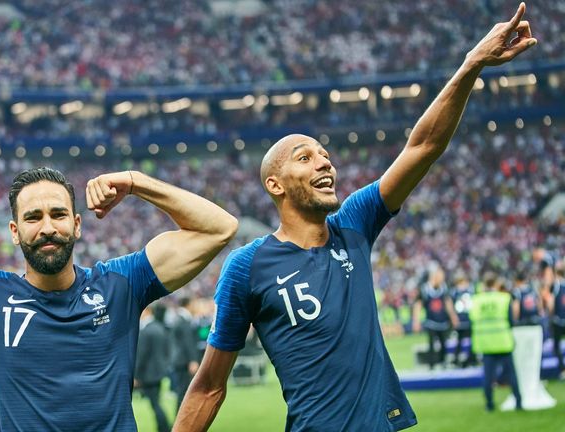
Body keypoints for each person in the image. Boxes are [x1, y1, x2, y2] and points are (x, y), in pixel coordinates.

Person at [174, 5, 536, 431]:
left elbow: (423, 147)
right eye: (305, 158)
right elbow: (209, 385)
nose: (325, 164)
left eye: (326, 157)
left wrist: (471, 64)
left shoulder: (353, 225)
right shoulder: (247, 268)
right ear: (275, 184)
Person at [0, 167, 238, 431]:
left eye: (58, 214)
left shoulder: (121, 283)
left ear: (77, 224)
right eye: (33, 218)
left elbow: (218, 229)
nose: (47, 227)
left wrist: (136, 182)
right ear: (15, 232)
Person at [469, 273, 522, 411]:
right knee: (511, 374)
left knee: (488, 377)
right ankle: (518, 402)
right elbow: (511, 320)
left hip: (486, 343)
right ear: (496, 284)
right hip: (503, 341)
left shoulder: (476, 300)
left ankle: (489, 404)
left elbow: (472, 319)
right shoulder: (504, 298)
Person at [412, 266, 460, 369]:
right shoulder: (425, 289)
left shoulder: (444, 288)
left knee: (443, 344)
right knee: (432, 344)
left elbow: (448, 303)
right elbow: (418, 305)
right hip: (431, 321)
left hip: (443, 321)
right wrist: (416, 321)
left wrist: (453, 316)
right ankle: (432, 365)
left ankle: (443, 363)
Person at [135, 303, 172, 432]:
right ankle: (163, 427)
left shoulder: (146, 331)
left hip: (148, 374)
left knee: (155, 404)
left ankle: (164, 428)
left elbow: (142, 356)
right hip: (159, 372)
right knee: (156, 402)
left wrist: (136, 375)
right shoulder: (160, 327)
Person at [170, 298, 200, 412]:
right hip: (184, 361)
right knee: (183, 392)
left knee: (182, 391)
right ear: (188, 304)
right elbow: (188, 342)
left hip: (179, 360)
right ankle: (180, 422)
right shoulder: (183, 320)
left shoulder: (178, 318)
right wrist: (192, 360)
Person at [450, 273, 477, 368]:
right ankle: (457, 359)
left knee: (472, 340)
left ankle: (472, 359)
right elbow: (451, 306)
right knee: (460, 340)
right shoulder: (454, 292)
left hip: (469, 319)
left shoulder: (471, 290)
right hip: (460, 319)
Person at [549, 264, 565, 377]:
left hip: (558, 320)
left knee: (556, 345)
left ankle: (562, 369)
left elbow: (551, 303)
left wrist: (550, 315)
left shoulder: (556, 285)